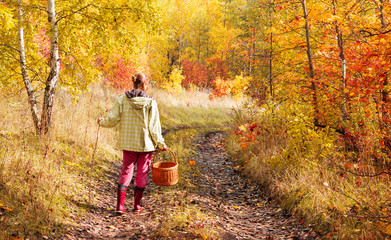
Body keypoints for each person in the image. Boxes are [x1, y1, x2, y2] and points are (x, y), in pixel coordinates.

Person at [97, 72, 167, 214]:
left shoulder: (122, 99)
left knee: (126, 171)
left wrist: (101, 122)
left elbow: (112, 119)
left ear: (134, 83)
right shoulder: (151, 102)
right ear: (144, 85)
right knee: (142, 173)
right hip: (145, 145)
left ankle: (120, 206)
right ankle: (137, 206)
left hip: (128, 143)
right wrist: (161, 143)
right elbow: (154, 128)